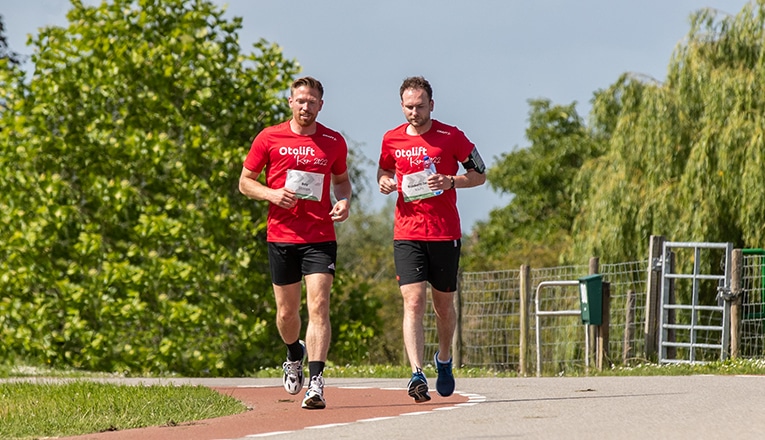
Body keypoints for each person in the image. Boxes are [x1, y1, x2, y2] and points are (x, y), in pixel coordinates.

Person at [239, 76, 352, 410]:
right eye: (300, 100)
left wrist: (343, 202)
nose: (306, 106)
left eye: (312, 101)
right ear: (290, 102)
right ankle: (293, 352)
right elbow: (245, 182)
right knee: (287, 314)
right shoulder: (269, 137)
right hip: (282, 236)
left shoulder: (333, 141)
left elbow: (342, 182)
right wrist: (273, 194)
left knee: (319, 306)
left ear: (321, 105)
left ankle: (316, 382)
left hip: (319, 236)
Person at [377, 76, 486, 402]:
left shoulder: (451, 136)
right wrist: (384, 182)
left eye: (420, 106)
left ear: (431, 105)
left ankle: (443, 359)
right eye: (409, 107)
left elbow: (480, 174)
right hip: (407, 233)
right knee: (413, 302)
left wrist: (451, 181)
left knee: (443, 306)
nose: (414, 112)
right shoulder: (391, 139)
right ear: (401, 106)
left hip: (444, 233)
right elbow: (384, 171)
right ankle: (416, 373)